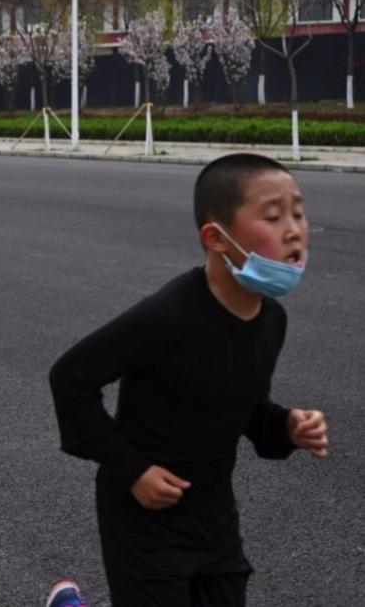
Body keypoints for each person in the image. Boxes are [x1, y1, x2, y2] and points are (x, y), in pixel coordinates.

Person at [49, 153, 329, 607]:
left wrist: (287, 427)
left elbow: (245, 408)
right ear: (216, 238)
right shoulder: (167, 317)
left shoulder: (271, 319)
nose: (295, 229)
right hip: (142, 514)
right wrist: (133, 469)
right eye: (274, 216)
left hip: (213, 514)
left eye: (298, 212)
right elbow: (70, 379)